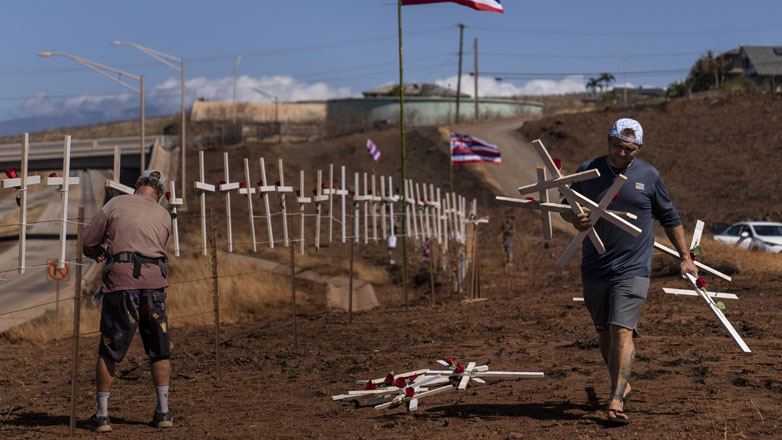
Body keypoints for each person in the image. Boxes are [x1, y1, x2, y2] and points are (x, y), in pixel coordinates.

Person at [560, 118, 698, 425]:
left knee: (622, 329)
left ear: (639, 148)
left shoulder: (648, 176)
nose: (623, 154)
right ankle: (622, 382)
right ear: (608, 140)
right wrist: (574, 218)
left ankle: (616, 399)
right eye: (618, 146)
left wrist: (685, 257)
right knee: (604, 332)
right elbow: (565, 205)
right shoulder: (587, 170)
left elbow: (670, 217)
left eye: (630, 149)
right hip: (595, 266)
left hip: (633, 267)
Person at [82, 169, 173, 432]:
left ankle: (102, 416)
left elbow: (89, 241)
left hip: (122, 286)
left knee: (110, 349)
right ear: (160, 194)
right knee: (159, 349)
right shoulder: (164, 214)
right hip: (154, 286)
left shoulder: (115, 204)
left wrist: (99, 251)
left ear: (137, 186)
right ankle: (164, 411)